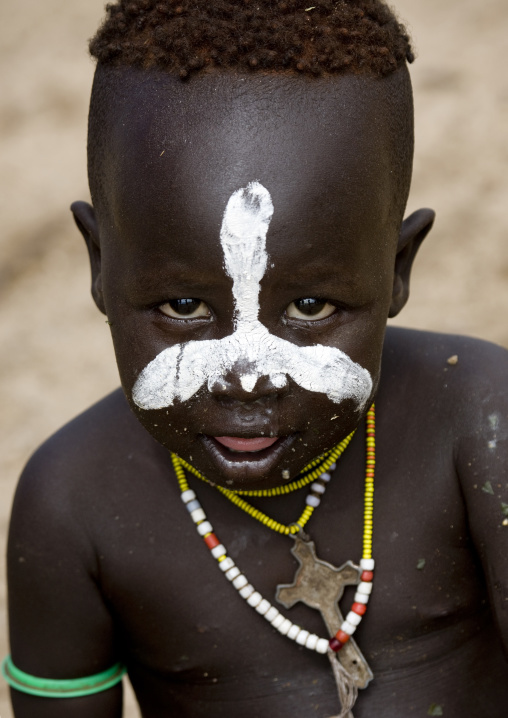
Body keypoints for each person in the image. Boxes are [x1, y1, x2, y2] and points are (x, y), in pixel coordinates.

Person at [4, 1, 508, 716]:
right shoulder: (74, 505)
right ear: (100, 265)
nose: (248, 374)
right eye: (183, 308)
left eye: (309, 309)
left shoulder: (480, 422)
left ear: (396, 268)